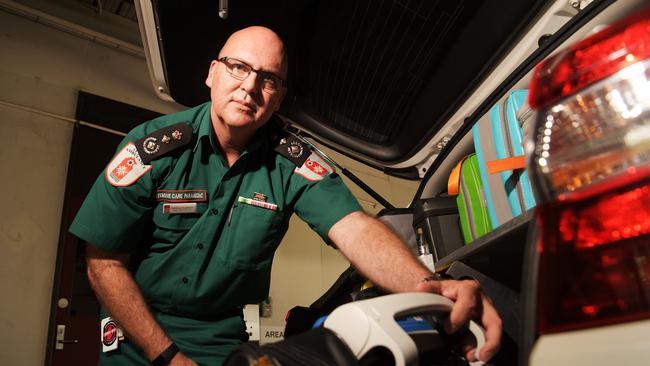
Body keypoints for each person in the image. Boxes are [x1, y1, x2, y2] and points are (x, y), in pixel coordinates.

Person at [70, 26, 502, 366]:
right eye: (238, 67)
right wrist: (168, 357)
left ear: (279, 98)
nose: (249, 86)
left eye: (268, 78)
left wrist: (431, 288)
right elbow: (104, 263)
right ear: (212, 72)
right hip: (137, 338)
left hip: (224, 344)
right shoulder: (151, 147)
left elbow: (354, 228)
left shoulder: (291, 163)